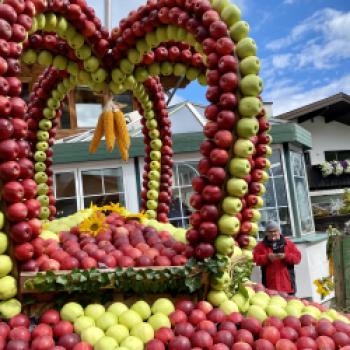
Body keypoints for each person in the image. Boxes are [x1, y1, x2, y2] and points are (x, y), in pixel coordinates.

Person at [253, 221, 301, 294]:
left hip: (287, 285)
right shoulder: (261, 246)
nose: (273, 234)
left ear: (279, 231)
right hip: (270, 286)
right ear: (266, 233)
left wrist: (285, 256)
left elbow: (297, 258)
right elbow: (255, 259)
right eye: (270, 232)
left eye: (275, 231)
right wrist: (267, 257)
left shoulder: (288, 244)